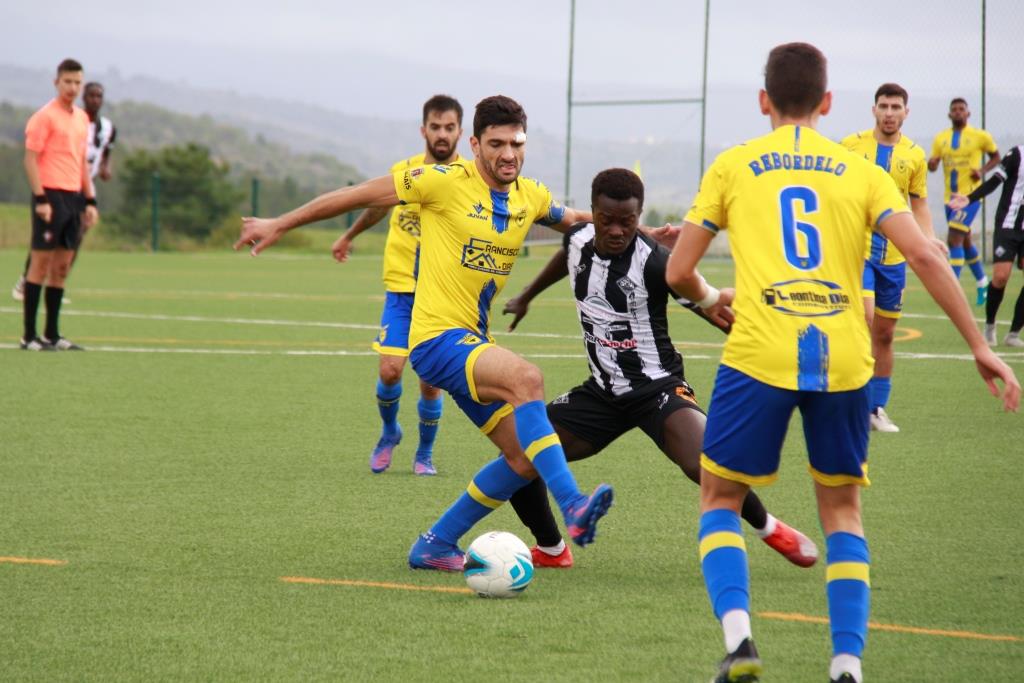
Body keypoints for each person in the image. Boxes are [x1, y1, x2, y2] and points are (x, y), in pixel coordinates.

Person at [665, 43, 1019, 683]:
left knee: (719, 498)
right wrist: (979, 345)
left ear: (763, 100)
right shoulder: (860, 170)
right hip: (845, 356)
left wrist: (714, 299)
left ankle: (741, 642)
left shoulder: (733, 165)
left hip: (759, 350)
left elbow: (678, 271)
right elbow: (928, 256)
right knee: (842, 514)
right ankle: (847, 666)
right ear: (828, 103)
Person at [236, 95, 616, 570]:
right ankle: (574, 506)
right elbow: (356, 195)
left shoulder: (529, 196)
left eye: (516, 143)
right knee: (527, 380)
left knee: (522, 459)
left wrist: (644, 231)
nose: (508, 154)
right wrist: (281, 222)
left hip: (474, 342)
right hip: (437, 341)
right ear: (474, 144)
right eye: (495, 143)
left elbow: (576, 221)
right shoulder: (440, 182)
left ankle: (436, 543)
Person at [500, 168, 819, 571]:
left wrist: (761, 337)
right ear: (593, 211)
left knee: (704, 461)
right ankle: (550, 549)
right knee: (519, 453)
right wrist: (527, 296)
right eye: (606, 219)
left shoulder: (657, 263)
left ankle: (768, 527)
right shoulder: (577, 238)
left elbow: (713, 310)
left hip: (658, 389)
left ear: (639, 216)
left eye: (627, 222)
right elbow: (566, 257)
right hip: (601, 392)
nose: (616, 230)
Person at [329, 95, 466, 476]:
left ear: (459, 131)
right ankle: (390, 432)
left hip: (441, 295)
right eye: (435, 127)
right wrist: (349, 235)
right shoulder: (404, 171)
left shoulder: (468, 179)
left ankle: (424, 454)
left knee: (430, 381)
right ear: (424, 130)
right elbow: (376, 205)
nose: (442, 134)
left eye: (449, 127)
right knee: (390, 371)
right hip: (402, 289)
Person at [840, 84, 941, 433]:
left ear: (905, 113)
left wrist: (928, 239)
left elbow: (919, 203)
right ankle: (847, 397)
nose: (889, 112)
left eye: (895, 107)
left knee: (884, 335)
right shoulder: (850, 146)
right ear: (874, 110)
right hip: (859, 249)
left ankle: (875, 408)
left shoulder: (914, 155)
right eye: (883, 106)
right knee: (864, 317)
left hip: (894, 257)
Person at [20, 59, 99, 351]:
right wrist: (40, 198)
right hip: (50, 195)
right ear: (57, 83)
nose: (73, 88)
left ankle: (52, 334)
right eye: (68, 82)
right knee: (40, 264)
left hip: (74, 197)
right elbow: (30, 160)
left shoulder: (81, 118)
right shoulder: (44, 117)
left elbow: (80, 163)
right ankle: (29, 336)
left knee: (62, 266)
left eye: (78, 82)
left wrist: (90, 200)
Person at [13, 81, 115, 303]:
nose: (94, 100)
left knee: (73, 239)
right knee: (48, 238)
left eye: (99, 96)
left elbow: (105, 152)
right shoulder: (73, 118)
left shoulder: (107, 127)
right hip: (62, 184)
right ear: (83, 97)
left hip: (84, 188)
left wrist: (105, 169)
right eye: (91, 95)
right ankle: (27, 278)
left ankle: (58, 281)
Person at [950, 143, 1024, 347]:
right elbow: (994, 181)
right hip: (1008, 225)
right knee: (1000, 277)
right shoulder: (1017, 154)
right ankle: (990, 326)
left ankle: (1014, 334)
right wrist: (970, 198)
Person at [928, 98, 1000, 305]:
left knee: (954, 239)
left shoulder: (980, 136)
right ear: (949, 114)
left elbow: (996, 157)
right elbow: (933, 165)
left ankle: (952, 287)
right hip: (948, 199)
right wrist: (932, 163)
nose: (958, 112)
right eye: (954, 110)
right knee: (965, 241)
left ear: (968, 114)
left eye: (962, 109)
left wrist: (982, 171)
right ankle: (982, 281)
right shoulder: (941, 138)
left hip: (970, 196)